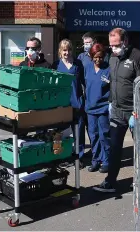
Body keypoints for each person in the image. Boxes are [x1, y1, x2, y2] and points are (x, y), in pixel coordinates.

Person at [93, 28, 140, 192]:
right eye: (111, 45)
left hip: (134, 112)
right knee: (115, 148)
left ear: (125, 41)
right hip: (117, 111)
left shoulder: (138, 57)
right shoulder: (112, 57)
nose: (113, 48)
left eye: (116, 45)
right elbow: (113, 81)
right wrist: (111, 102)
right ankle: (110, 181)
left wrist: (137, 111)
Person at [51, 39, 85, 169]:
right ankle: (60, 156)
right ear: (60, 51)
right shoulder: (56, 65)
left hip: (76, 104)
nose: (67, 52)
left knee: (79, 132)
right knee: (59, 133)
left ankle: (78, 157)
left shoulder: (78, 64)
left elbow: (83, 83)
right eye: (64, 50)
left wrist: (83, 100)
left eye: (69, 49)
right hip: (62, 105)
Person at [84, 43, 110, 173]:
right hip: (90, 108)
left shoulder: (108, 69)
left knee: (104, 135)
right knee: (93, 136)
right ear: (91, 56)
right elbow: (85, 85)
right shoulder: (87, 68)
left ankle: (106, 161)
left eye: (100, 57)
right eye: (95, 57)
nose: (98, 60)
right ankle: (95, 160)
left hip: (103, 108)